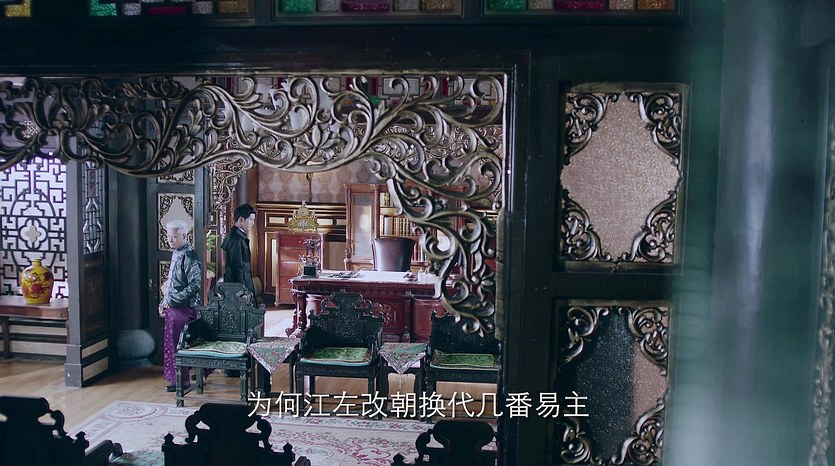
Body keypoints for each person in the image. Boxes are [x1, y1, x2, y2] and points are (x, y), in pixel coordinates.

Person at [159, 219, 203, 393]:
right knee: (171, 343)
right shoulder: (176, 253)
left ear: (185, 236)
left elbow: (195, 285)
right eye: (169, 236)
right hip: (174, 307)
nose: (170, 240)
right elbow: (171, 284)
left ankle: (182, 381)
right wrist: (164, 302)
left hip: (185, 309)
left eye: (174, 237)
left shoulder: (189, 256)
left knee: (178, 344)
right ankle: (176, 379)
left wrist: (173, 301)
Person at [221, 203, 257, 305]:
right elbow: (237, 267)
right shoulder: (236, 239)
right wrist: (241, 291)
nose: (253, 223)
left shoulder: (238, 237)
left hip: (242, 285)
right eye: (251, 220)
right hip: (238, 288)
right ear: (241, 219)